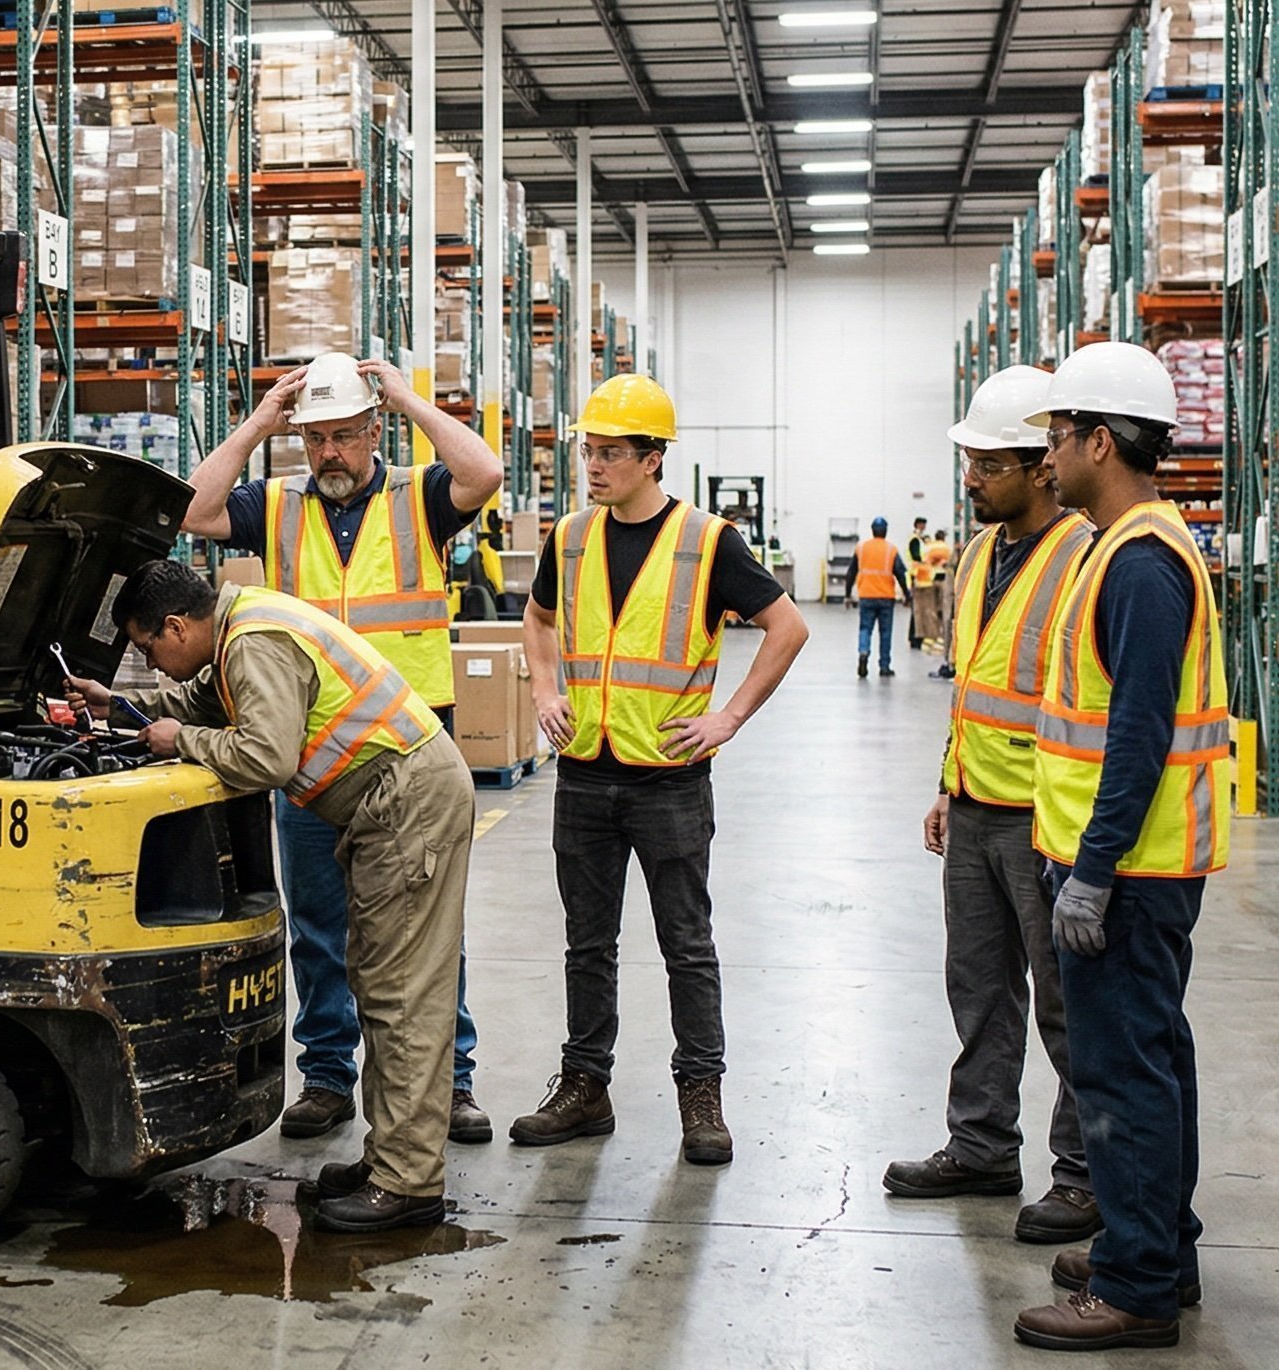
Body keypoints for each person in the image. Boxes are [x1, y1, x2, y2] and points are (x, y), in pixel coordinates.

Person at [68, 560, 476, 1233]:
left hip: (407, 806)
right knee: (379, 984)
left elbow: (267, 757)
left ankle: (408, 1183)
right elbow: (204, 705)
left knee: (402, 994)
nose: (154, 662)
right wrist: (121, 708)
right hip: (391, 804)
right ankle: (392, 1159)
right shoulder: (240, 626)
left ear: (176, 626)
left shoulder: (252, 642)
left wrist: (183, 742)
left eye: (149, 647)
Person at [182, 352, 504, 1145]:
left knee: (428, 931)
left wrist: (411, 400)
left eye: (346, 435)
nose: (330, 453)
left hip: (407, 753)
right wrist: (260, 422)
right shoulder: (277, 505)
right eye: (315, 437)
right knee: (320, 928)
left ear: (373, 431)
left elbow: (486, 472)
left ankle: (450, 1082)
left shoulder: (421, 498)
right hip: (311, 758)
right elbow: (192, 509)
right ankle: (328, 1076)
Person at [511, 375, 808, 1163]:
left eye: (611, 453)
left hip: (669, 778)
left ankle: (701, 1095)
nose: (593, 465)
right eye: (589, 450)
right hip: (584, 772)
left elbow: (787, 627)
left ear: (652, 459)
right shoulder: (570, 537)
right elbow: (537, 618)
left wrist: (728, 718)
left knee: (687, 945)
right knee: (586, 944)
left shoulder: (708, 542)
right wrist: (544, 689)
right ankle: (585, 1085)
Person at [1012, 342, 1231, 1352]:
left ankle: (1136, 1286)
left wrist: (1091, 875)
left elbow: (1137, 737)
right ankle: (1160, 1250)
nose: (1048, 456)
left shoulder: (1140, 563)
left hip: (1130, 873)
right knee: (1156, 1060)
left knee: (1121, 1074)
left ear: (1102, 441)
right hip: (1138, 865)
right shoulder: (1126, 544)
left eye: (1059, 436)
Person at [883, 365, 1100, 1246]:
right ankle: (981, 1146)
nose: (970, 478)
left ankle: (1084, 1176)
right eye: (968, 461)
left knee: (1067, 1006)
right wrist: (948, 781)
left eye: (988, 464)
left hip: (1048, 820)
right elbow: (973, 685)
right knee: (977, 989)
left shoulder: (1086, 557)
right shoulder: (974, 556)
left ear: (1043, 467)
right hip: (975, 808)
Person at [846, 516, 909, 677]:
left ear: (872, 530)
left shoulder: (861, 548)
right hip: (886, 597)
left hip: (866, 596)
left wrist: (847, 594)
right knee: (885, 632)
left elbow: (851, 572)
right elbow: (900, 573)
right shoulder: (891, 549)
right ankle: (884, 666)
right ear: (885, 531)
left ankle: (863, 652)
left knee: (865, 628)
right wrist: (907, 594)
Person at [908, 516, 931, 648]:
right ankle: (915, 637)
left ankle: (916, 636)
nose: (923, 527)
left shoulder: (920, 539)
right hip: (917, 577)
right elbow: (917, 556)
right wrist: (929, 559)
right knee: (917, 610)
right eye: (922, 524)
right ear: (917, 525)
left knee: (919, 609)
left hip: (921, 578)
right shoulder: (915, 540)